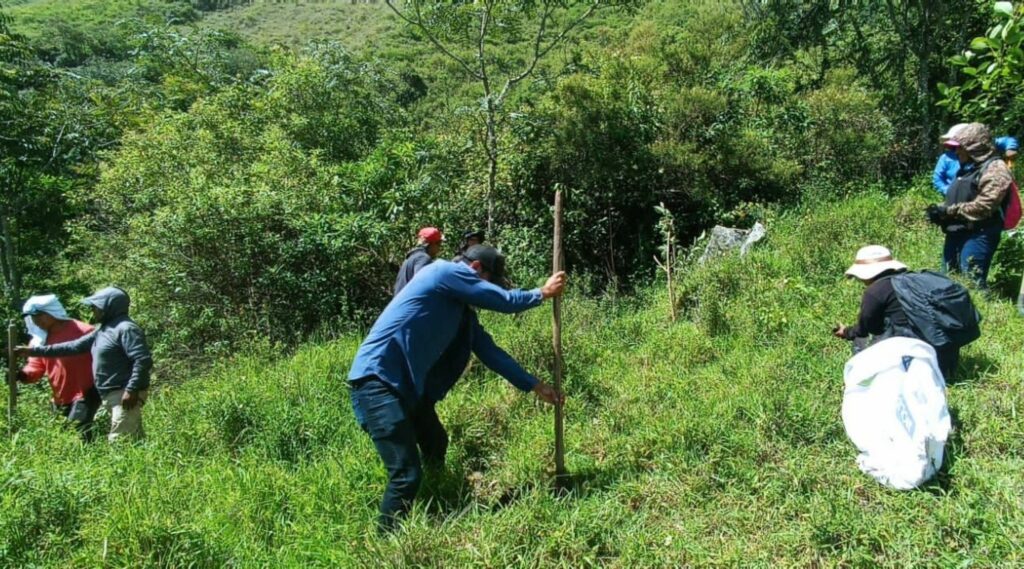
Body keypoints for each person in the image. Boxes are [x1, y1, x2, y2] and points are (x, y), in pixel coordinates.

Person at [349, 245, 566, 533]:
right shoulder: (443, 271)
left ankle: (438, 499)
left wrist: (536, 385)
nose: (482, 288)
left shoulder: (461, 314)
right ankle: (385, 543)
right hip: (377, 381)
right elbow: (502, 301)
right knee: (405, 474)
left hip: (407, 390)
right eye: (485, 282)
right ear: (475, 269)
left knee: (435, 442)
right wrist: (541, 293)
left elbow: (492, 354)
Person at [16, 287, 153, 441]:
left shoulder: (126, 329)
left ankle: (119, 465)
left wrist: (132, 388)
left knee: (121, 441)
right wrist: (31, 352)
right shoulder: (102, 330)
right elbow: (72, 347)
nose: (93, 311)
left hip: (123, 392)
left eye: (95, 307)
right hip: (111, 393)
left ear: (109, 306)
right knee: (133, 438)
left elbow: (142, 359)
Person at [833, 245, 959, 378]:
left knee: (860, 340)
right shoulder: (913, 280)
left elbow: (866, 328)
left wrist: (846, 332)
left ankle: (868, 377)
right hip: (944, 356)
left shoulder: (875, 291)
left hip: (910, 360)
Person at [927, 122, 1013, 289]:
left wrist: (948, 211)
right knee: (949, 279)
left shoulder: (995, 169)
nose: (956, 151)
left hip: (979, 233)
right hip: (958, 230)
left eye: (960, 147)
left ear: (974, 147)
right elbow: (965, 195)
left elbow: (984, 206)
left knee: (971, 283)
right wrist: (940, 212)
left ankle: (982, 314)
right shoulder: (969, 167)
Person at [13, 295, 101, 441]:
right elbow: (36, 366)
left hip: (86, 393)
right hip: (60, 397)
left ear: (52, 312)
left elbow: (103, 359)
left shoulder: (84, 331)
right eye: (33, 317)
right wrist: (22, 375)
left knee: (79, 433)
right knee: (63, 437)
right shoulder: (40, 340)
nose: (36, 320)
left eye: (40, 315)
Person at [394, 227, 444, 295]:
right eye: (439, 244)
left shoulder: (413, 256)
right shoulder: (423, 258)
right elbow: (421, 284)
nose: (439, 249)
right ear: (431, 244)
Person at [933, 123, 968, 196]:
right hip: (952, 196)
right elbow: (937, 179)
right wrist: (948, 190)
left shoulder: (977, 157)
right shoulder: (946, 158)